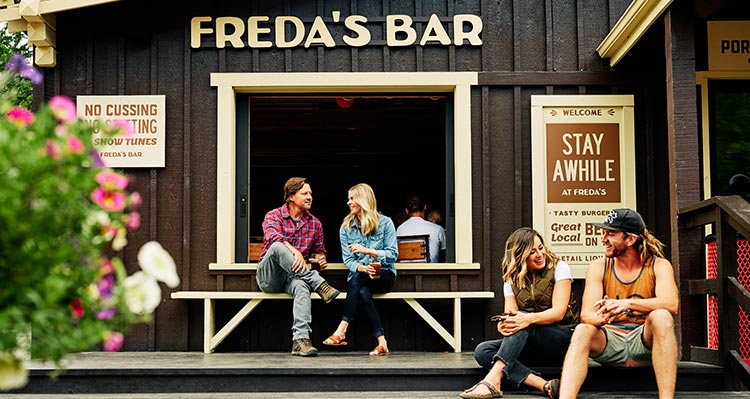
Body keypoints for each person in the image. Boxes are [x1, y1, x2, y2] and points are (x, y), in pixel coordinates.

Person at [552, 208, 679, 399]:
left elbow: (671, 304)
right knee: (581, 330)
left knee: (661, 316)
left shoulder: (659, 265)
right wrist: (603, 316)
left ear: (630, 239)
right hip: (610, 341)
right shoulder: (598, 266)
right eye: (603, 233)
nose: (603, 239)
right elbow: (586, 315)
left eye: (611, 234)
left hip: (643, 343)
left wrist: (627, 304)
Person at [461, 227, 579, 399]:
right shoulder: (511, 279)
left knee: (522, 322)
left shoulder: (559, 268)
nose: (540, 254)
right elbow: (512, 315)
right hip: (532, 344)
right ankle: (544, 385)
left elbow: (558, 313)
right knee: (482, 350)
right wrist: (505, 324)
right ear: (520, 255)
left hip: (563, 340)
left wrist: (526, 319)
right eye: (532, 252)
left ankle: (492, 380)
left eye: (541, 247)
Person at [256, 177, 341, 357]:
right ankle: (318, 284)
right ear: (291, 197)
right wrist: (295, 251)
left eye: (310, 193)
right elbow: (273, 239)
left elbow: (319, 251)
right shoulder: (273, 215)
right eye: (304, 193)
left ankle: (300, 341)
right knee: (278, 247)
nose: (309, 197)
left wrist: (320, 258)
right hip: (269, 277)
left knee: (302, 287)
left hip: (294, 278)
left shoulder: (315, 224)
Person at [322, 183, 398, 356]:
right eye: (348, 198)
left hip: (384, 275)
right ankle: (382, 342)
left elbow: (393, 255)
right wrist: (363, 268)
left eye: (352, 198)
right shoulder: (346, 228)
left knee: (358, 279)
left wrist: (368, 251)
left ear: (363, 200)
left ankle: (341, 330)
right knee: (362, 290)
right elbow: (348, 260)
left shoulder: (385, 223)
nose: (348, 202)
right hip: (361, 276)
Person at [396, 193, 447, 263]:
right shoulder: (437, 229)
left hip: (405, 273)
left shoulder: (399, 230)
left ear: (406, 211)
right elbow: (445, 255)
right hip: (430, 272)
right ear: (425, 207)